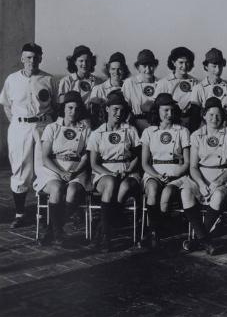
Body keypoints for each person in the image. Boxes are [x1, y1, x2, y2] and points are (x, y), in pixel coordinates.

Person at [0, 43, 58, 228]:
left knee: (45, 168)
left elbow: (56, 106)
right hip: (20, 127)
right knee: (20, 169)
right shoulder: (12, 79)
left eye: (35, 57)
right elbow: (7, 105)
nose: (31, 61)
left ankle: (43, 214)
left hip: (43, 125)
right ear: (22, 58)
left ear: (40, 58)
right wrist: (18, 123)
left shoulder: (48, 79)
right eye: (28, 57)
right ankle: (19, 214)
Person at [177, 97, 227, 254]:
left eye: (218, 115)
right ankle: (205, 240)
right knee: (186, 192)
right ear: (204, 115)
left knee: (218, 196)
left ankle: (198, 241)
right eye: (210, 115)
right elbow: (193, 166)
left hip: (223, 176)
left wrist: (220, 180)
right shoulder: (197, 135)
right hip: (200, 177)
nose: (214, 119)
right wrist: (202, 184)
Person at [34, 91, 91, 246]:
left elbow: (86, 156)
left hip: (76, 171)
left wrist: (75, 172)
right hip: (53, 169)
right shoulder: (52, 127)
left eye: (77, 109)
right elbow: (45, 157)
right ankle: (58, 233)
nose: (73, 112)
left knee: (72, 192)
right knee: (57, 189)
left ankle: (52, 230)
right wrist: (61, 172)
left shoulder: (85, 129)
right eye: (70, 108)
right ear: (63, 108)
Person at [87, 90, 141, 252]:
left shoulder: (130, 130)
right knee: (111, 183)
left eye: (122, 110)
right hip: (104, 173)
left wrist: (128, 170)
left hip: (127, 171)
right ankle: (107, 235)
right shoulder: (97, 133)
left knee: (124, 187)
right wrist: (109, 173)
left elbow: (137, 156)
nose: (119, 113)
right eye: (115, 109)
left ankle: (102, 229)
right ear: (107, 109)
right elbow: (94, 163)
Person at [140, 93, 190, 248]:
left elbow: (187, 162)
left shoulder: (182, 131)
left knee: (167, 193)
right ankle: (154, 233)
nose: (169, 114)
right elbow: (145, 163)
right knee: (153, 190)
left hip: (176, 173)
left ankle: (158, 229)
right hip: (155, 172)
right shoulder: (149, 132)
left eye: (172, 110)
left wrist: (175, 174)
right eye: (165, 110)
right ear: (157, 111)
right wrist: (156, 175)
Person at [154, 47, 198, 130]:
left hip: (190, 122)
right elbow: (157, 107)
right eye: (181, 62)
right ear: (173, 62)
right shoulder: (164, 82)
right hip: (171, 123)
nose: (184, 66)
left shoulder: (195, 82)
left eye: (187, 62)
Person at [190, 48, 227, 129]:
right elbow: (194, 118)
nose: (217, 70)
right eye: (214, 66)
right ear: (206, 66)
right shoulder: (198, 88)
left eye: (220, 66)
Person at [89, 52, 131, 128]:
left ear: (124, 70)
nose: (116, 72)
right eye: (113, 69)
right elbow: (94, 116)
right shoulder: (98, 89)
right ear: (108, 70)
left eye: (120, 69)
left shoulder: (129, 88)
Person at [122, 49, 159, 134]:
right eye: (144, 66)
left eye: (151, 65)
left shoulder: (160, 83)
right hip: (136, 125)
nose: (148, 69)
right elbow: (124, 107)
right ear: (138, 67)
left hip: (156, 125)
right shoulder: (130, 82)